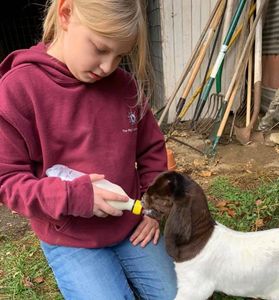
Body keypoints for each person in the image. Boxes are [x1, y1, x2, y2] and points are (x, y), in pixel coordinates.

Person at [0, 0, 177, 299]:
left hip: (131, 222)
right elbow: (8, 181)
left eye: (120, 55)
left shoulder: (124, 86)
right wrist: (73, 197)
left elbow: (151, 149)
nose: (108, 67)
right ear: (66, 13)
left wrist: (153, 210)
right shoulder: (18, 89)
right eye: (100, 48)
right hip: (70, 236)